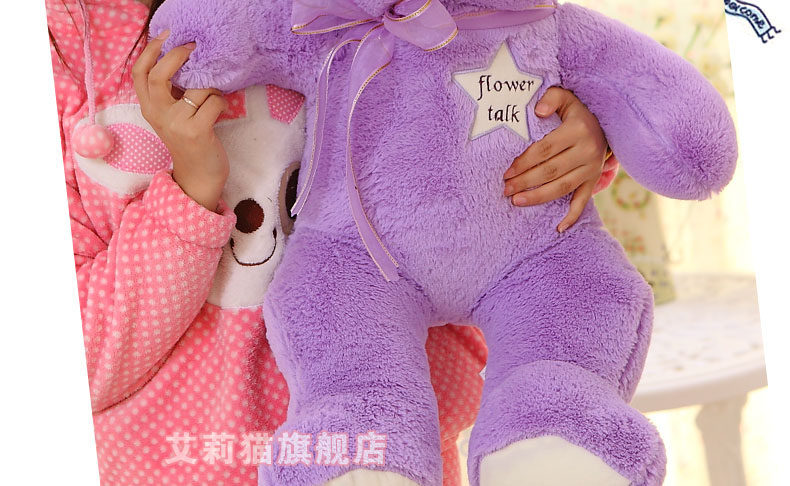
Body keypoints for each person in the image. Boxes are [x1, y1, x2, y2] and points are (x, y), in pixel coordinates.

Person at [47, 0, 616, 484]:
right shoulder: (55, 51)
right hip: (179, 466)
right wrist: (191, 189)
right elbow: (79, 363)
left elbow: (503, 102)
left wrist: (582, 134)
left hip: (392, 456)